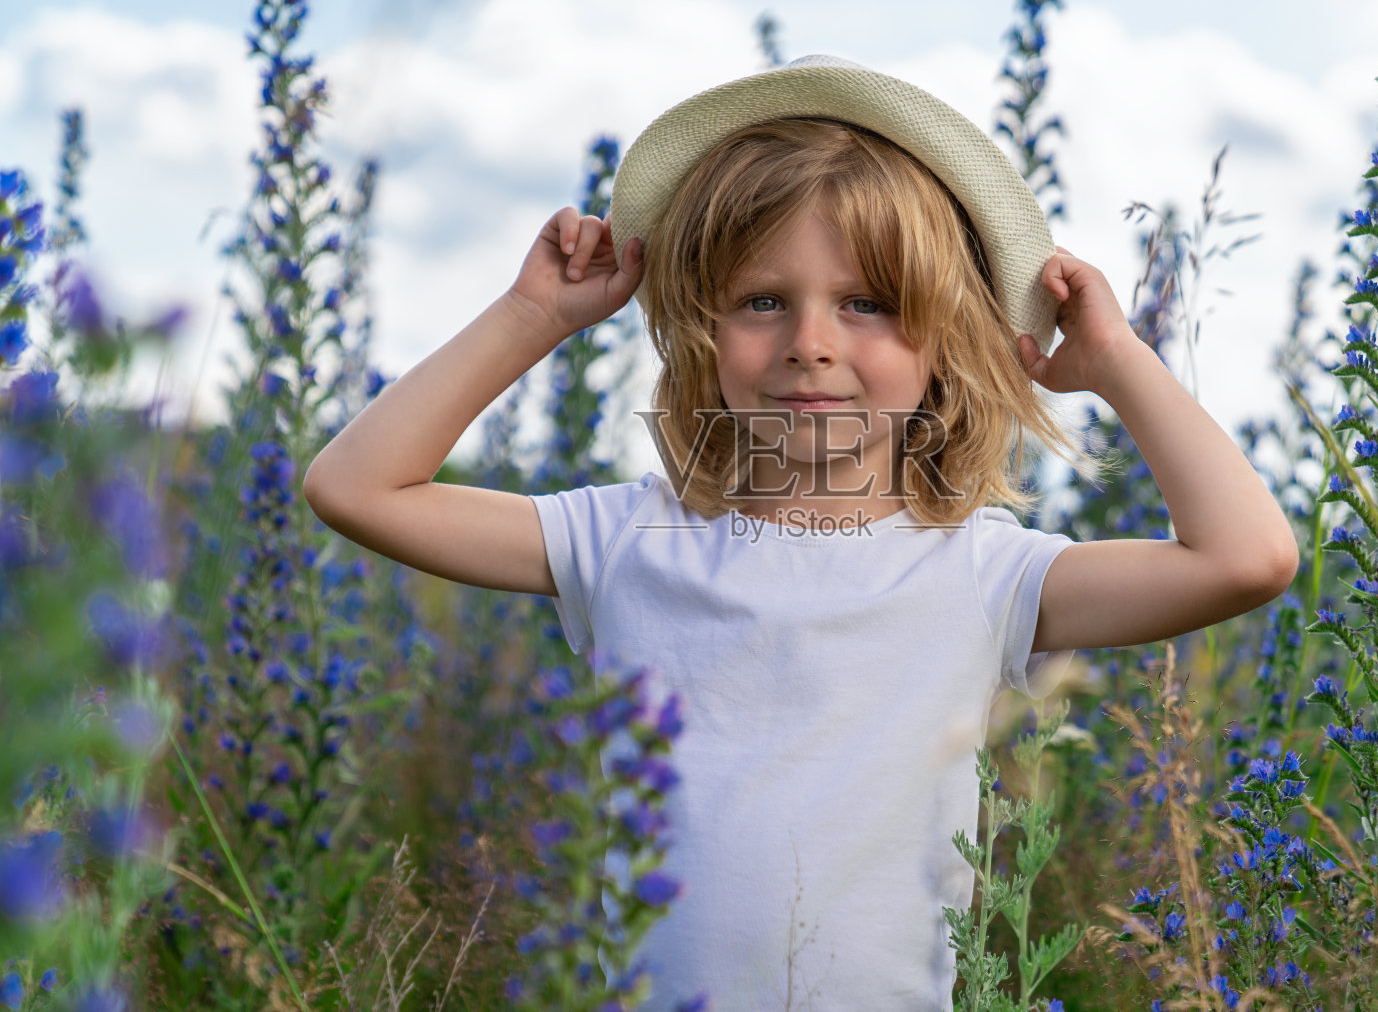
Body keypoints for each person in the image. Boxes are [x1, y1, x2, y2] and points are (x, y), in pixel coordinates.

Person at [302, 56, 1298, 1010]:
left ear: (945, 341)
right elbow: (359, 485)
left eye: (867, 304)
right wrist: (530, 314)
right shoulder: (631, 537)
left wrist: (1119, 360)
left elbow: (1244, 558)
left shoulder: (984, 569)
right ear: (700, 329)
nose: (811, 341)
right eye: (761, 301)